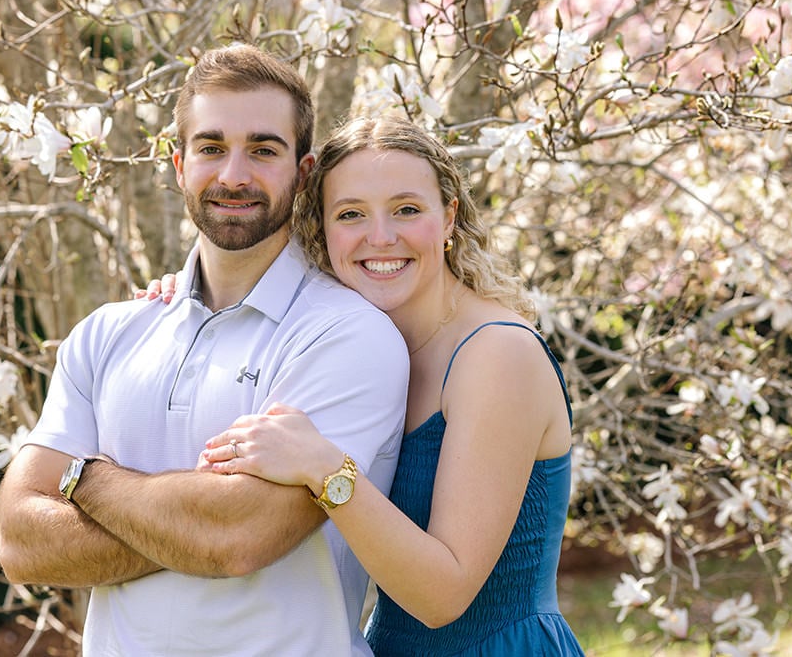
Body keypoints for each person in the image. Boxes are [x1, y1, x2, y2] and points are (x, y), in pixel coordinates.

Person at [0, 45, 410, 656]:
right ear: (178, 164)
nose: (234, 174)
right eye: (211, 147)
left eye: (263, 150)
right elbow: (21, 543)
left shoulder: (349, 335)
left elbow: (237, 538)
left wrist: (85, 479)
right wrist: (191, 520)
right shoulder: (108, 334)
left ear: (304, 168)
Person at [180, 116, 584, 654]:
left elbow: (443, 595)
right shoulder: (361, 345)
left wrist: (324, 467)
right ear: (322, 232)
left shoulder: (497, 355)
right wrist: (187, 292)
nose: (381, 237)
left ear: (449, 218)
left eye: (407, 210)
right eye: (351, 215)